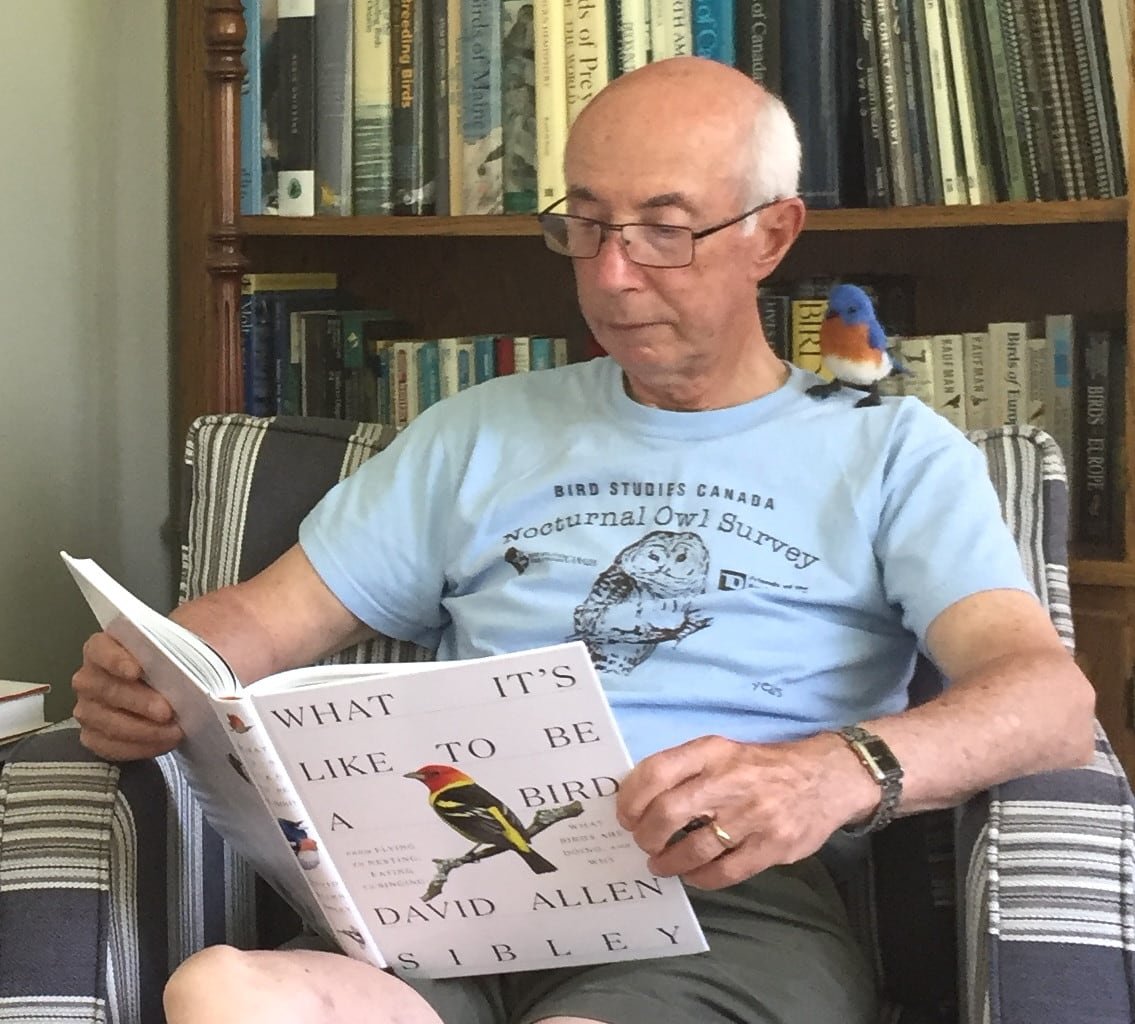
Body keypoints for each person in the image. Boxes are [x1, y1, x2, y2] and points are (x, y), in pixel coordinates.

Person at [73, 56, 1096, 1024]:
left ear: (772, 235)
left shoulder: (891, 450)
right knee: (219, 991)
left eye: (663, 228)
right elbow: (263, 616)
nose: (610, 275)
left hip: (720, 901)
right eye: (586, 224)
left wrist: (833, 771)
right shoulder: (480, 429)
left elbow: (1047, 699)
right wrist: (156, 669)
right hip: (441, 894)